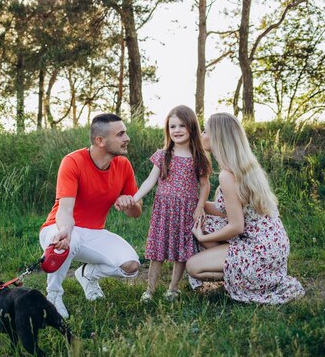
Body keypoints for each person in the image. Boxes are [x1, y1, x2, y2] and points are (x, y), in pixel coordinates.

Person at [187, 112, 304, 304]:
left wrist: (203, 238)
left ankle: (243, 279)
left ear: (218, 137)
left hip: (259, 250)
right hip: (274, 246)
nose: (201, 134)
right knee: (206, 222)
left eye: (205, 131)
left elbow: (236, 226)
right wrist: (197, 204)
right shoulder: (244, 167)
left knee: (193, 266)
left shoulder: (227, 175)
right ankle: (241, 272)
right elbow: (227, 210)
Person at [39, 113, 143, 318]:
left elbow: (137, 212)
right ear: (100, 141)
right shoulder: (73, 162)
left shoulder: (123, 165)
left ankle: (86, 275)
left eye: (126, 133)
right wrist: (65, 232)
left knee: (131, 266)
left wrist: (129, 203)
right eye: (120, 134)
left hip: (95, 233)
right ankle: (53, 295)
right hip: (59, 228)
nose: (127, 138)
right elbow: (65, 210)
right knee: (72, 238)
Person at [132, 105, 211, 302]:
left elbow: (205, 185)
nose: (176, 130)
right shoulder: (163, 154)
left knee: (181, 251)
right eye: (172, 126)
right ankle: (150, 290)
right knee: (157, 251)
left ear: (192, 127)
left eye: (181, 125)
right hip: (164, 210)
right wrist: (135, 198)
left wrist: (200, 206)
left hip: (187, 210)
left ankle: (173, 288)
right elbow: (150, 180)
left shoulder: (198, 157)